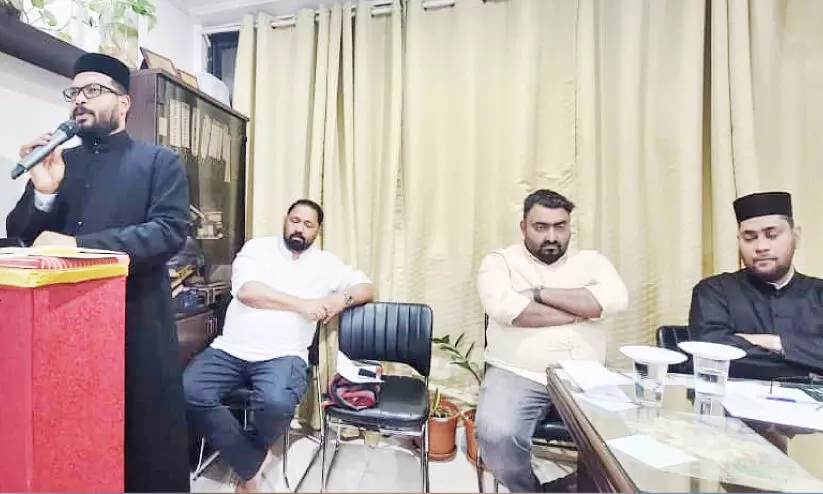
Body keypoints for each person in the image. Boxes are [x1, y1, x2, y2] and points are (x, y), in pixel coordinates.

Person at [5, 53, 191, 492]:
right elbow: (18, 234)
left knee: (142, 440)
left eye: (93, 90)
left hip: (136, 321)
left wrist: (79, 246)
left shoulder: (159, 161)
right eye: (74, 92)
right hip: (66, 328)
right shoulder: (59, 161)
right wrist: (44, 193)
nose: (79, 100)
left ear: (124, 102)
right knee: (74, 437)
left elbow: (168, 232)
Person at [183, 199, 374, 493]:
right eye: (295, 221)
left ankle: (247, 461)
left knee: (277, 403)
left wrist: (340, 299)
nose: (300, 229)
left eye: (308, 225)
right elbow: (248, 292)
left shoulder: (327, 264)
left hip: (285, 355)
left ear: (317, 231)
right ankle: (252, 463)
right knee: (188, 391)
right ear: (285, 220)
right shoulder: (257, 249)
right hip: (230, 349)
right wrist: (303, 305)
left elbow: (366, 287)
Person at [475, 189, 629, 492]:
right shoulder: (500, 261)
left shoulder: (591, 261)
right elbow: (507, 309)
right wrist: (582, 311)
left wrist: (538, 293)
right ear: (523, 227)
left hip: (586, 374)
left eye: (560, 226)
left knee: (631, 439)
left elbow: (615, 299)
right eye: (540, 227)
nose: (551, 236)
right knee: (497, 434)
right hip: (518, 372)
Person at [689, 191, 823, 380]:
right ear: (739, 241)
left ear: (796, 236)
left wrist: (776, 343)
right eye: (750, 238)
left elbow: (737, 356)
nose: (761, 247)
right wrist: (806, 366)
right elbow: (713, 351)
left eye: (772, 235)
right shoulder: (714, 291)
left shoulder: (819, 294)